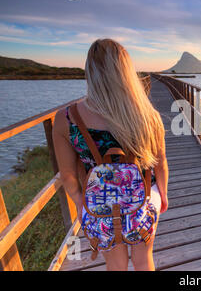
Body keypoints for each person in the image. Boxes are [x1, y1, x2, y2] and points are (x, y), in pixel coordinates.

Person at [52, 38, 168, 271]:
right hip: (142, 201)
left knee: (115, 265)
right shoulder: (148, 115)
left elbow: (67, 175)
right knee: (144, 259)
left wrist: (83, 205)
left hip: (100, 207)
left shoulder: (67, 117)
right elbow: (160, 164)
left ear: (90, 72)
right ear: (126, 72)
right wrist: (162, 196)